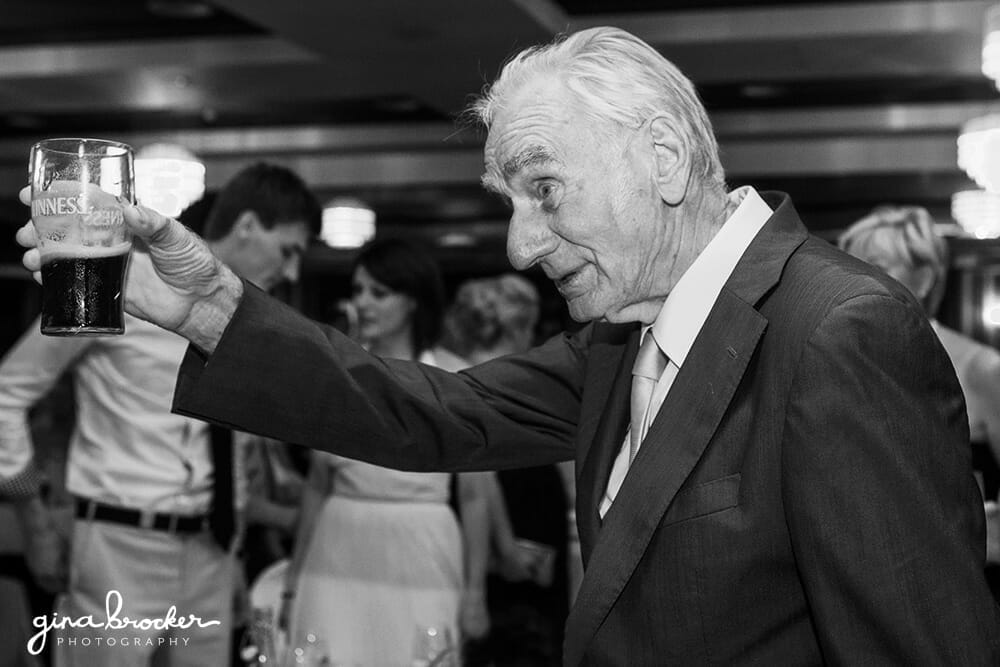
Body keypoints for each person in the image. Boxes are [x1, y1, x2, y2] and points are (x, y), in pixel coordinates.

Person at [16, 26, 1000, 665]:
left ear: (660, 159)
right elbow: (431, 412)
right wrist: (208, 307)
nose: (521, 243)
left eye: (544, 189)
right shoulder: (628, 328)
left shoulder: (837, 331)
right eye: (510, 203)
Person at [1, 162, 320, 667]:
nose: (294, 271)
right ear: (248, 226)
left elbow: (229, 440)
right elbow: (8, 391)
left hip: (212, 549)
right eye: (289, 250)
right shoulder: (122, 281)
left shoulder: (250, 320)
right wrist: (32, 515)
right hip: (118, 544)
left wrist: (232, 551)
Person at [281, 239, 491, 667]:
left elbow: (475, 498)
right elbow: (317, 487)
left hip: (423, 546)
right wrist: (292, 580)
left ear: (413, 300)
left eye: (379, 293)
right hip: (338, 543)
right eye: (358, 290)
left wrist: (475, 592)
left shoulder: (454, 377)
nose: (363, 303)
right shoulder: (338, 370)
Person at [837, 204, 1000, 573]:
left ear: (925, 279)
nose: (855, 281)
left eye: (876, 266)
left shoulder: (980, 369)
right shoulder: (839, 366)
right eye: (850, 267)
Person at [441, 273, 571, 666]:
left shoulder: (461, 376)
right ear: (516, 327)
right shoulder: (502, 380)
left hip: (518, 524)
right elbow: (483, 479)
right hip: (515, 528)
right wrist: (506, 546)